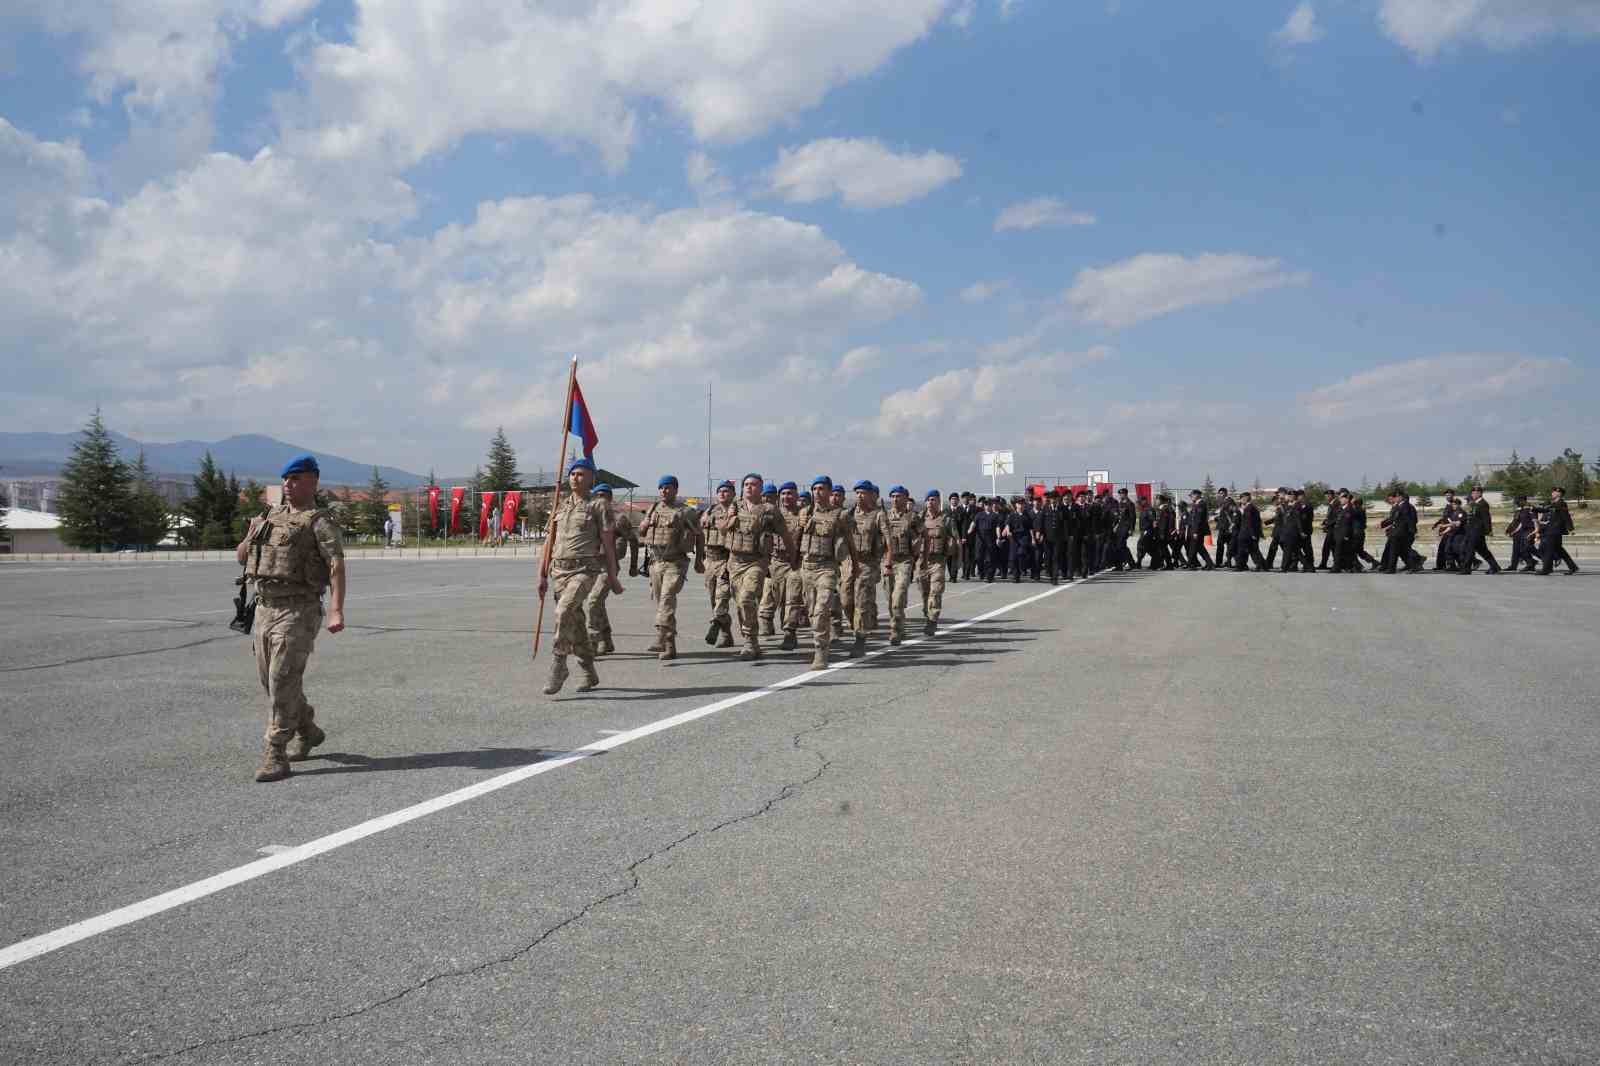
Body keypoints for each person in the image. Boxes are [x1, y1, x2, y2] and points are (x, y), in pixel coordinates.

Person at [237, 454, 346, 783]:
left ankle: (275, 752)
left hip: (299, 609)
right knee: (271, 682)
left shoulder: (319, 521)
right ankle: (308, 728)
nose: (288, 484)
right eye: (286, 479)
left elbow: (336, 566)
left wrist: (337, 609)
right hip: (264, 607)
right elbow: (242, 557)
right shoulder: (269, 516)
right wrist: (250, 534)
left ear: (312, 482)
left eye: (296, 478)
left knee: (282, 679)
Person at [539, 457, 623, 695]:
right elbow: (549, 542)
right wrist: (542, 575)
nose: (576, 478)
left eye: (581, 474)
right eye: (573, 474)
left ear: (592, 478)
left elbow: (608, 544)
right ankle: (588, 671)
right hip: (559, 571)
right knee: (575, 624)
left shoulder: (599, 506)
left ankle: (559, 663)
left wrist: (614, 577)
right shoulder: (560, 505)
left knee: (563, 610)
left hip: (584, 570)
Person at [636, 475, 704, 661]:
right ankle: (669, 644)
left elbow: (699, 535)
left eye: (667, 487)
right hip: (655, 562)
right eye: (661, 488)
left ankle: (660, 636)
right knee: (662, 604)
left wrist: (699, 560)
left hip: (676, 562)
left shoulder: (685, 511)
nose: (663, 491)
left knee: (667, 598)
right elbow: (641, 532)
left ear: (675, 490)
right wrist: (643, 525)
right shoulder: (653, 508)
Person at [797, 476, 857, 670]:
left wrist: (853, 565)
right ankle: (821, 642)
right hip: (807, 567)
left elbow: (850, 542)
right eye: (814, 489)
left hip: (827, 568)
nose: (817, 492)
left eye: (821, 489)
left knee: (822, 608)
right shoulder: (805, 512)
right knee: (813, 611)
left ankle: (821, 651)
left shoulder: (840, 516)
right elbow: (796, 540)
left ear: (830, 492)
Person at [582, 484, 637, 656]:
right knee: (598, 604)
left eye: (604, 495)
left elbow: (634, 541)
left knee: (593, 601)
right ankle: (607, 641)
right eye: (598, 495)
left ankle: (593, 641)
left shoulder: (619, 518)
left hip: (609, 567)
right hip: (591, 567)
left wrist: (634, 566)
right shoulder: (588, 518)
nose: (601, 498)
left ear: (611, 498)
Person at [842, 480, 893, 656]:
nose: (859, 496)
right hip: (849, 563)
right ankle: (863, 621)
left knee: (861, 600)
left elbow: (888, 541)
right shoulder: (848, 515)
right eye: (857, 492)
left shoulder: (878, 515)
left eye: (863, 492)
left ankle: (860, 639)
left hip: (868, 564)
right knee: (846, 601)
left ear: (872, 495)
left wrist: (888, 564)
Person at [761, 482, 807, 649]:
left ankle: (790, 632)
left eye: (790, 493)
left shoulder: (804, 514)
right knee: (776, 597)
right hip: (776, 561)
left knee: (793, 599)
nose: (786, 496)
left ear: (796, 496)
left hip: (796, 563)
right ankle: (773, 622)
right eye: (783, 494)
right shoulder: (772, 514)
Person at [700, 481, 737, 647]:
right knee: (713, 600)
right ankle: (726, 634)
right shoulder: (709, 511)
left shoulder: (737, 511)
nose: (723, 494)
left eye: (727, 491)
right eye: (720, 491)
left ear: (733, 494)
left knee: (722, 597)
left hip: (727, 559)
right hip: (710, 560)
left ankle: (715, 623)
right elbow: (700, 534)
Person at [917, 490, 958, 635]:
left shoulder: (946, 519)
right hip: (922, 561)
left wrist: (956, 560)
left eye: (933, 499)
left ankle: (932, 621)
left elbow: (955, 539)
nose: (930, 502)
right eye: (928, 500)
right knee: (924, 592)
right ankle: (927, 613)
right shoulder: (919, 518)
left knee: (935, 591)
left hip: (938, 561)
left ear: (938, 502)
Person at [884, 486, 920, 644]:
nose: (895, 499)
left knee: (898, 596)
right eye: (892, 496)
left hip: (905, 561)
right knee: (890, 598)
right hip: (888, 562)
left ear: (906, 498)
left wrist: (918, 553)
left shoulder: (912, 517)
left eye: (898, 496)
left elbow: (923, 534)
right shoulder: (884, 516)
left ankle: (895, 630)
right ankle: (900, 622)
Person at [1538, 486, 1580, 575]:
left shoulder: (1562, 504)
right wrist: (1533, 508)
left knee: (1549, 550)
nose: (1552, 493)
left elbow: (1566, 517)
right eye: (1552, 492)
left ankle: (1547, 569)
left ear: (1559, 494)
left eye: (1554, 492)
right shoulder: (1552, 503)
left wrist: (1570, 529)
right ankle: (1573, 567)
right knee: (1560, 550)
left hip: (1555, 530)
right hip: (1550, 529)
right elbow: (1545, 510)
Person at [1233, 491, 1267, 571]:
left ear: (1245, 498)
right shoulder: (1251, 508)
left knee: (1244, 550)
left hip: (1247, 533)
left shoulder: (1249, 508)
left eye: (1241, 498)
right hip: (1248, 532)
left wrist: (1252, 534)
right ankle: (1262, 565)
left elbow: (1249, 522)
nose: (1240, 500)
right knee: (1252, 550)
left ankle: (1240, 566)